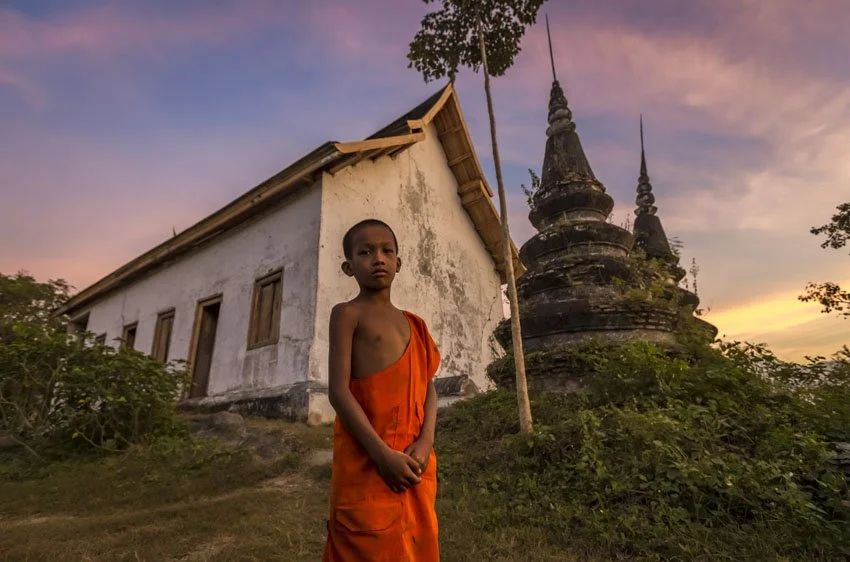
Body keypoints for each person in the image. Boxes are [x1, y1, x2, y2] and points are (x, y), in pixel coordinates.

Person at [322, 219, 441, 562]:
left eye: (387, 250)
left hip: (415, 459)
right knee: (365, 543)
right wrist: (381, 455)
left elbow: (428, 385)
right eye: (366, 252)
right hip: (367, 456)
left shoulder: (415, 324)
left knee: (418, 541)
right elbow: (338, 392)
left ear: (398, 262)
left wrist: (426, 440)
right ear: (349, 267)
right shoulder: (347, 314)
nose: (378, 258)